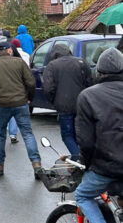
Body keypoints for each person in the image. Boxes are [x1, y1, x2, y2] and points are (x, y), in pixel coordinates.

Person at [74, 48, 123, 223]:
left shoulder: (88, 96)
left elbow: (86, 141)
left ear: (98, 71)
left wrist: (85, 164)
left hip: (107, 167)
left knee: (82, 196)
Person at [0, 42, 41, 178]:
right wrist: (29, 98)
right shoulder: (19, 62)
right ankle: (36, 164)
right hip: (21, 102)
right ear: (9, 50)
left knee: (0, 134)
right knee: (27, 134)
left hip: (2, 104)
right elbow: (31, 82)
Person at [42, 44, 92, 156]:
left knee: (68, 136)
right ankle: (85, 160)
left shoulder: (52, 65)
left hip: (64, 107)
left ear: (54, 54)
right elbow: (90, 83)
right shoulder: (82, 62)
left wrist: (54, 102)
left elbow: (48, 88)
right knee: (83, 136)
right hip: (82, 105)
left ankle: (79, 160)